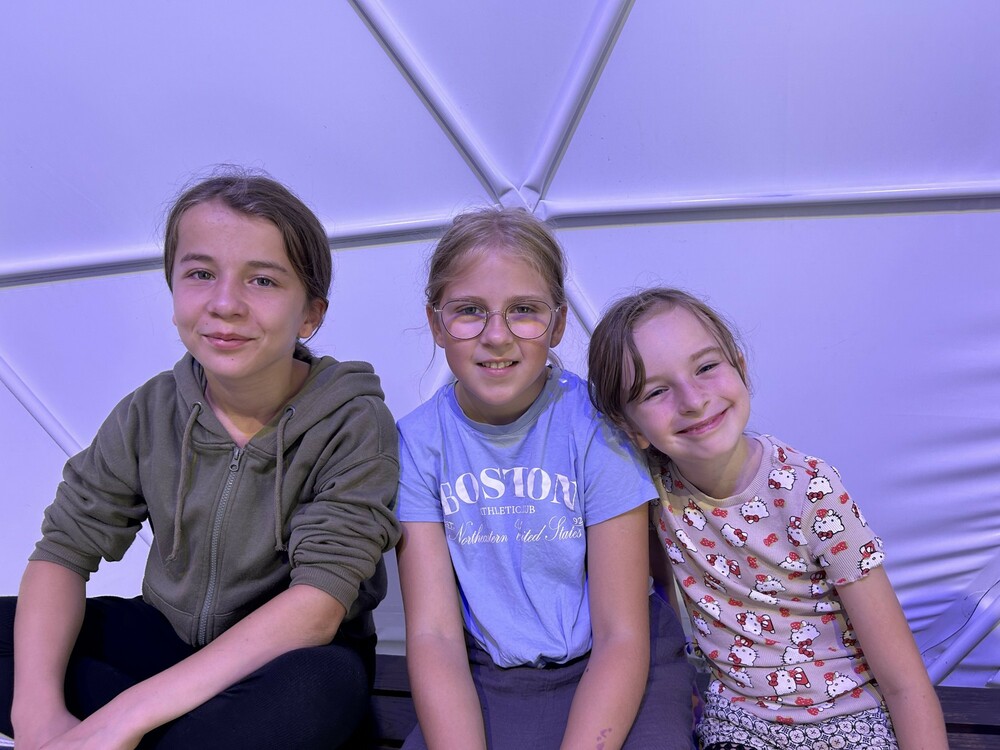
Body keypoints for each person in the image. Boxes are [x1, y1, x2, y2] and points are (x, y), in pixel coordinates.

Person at [0, 170, 401, 749]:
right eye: (201, 274)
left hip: (282, 662)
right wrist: (39, 720)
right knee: (17, 632)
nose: (225, 304)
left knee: (322, 687)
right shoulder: (151, 410)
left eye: (262, 280)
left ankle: (127, 732)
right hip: (167, 640)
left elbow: (316, 609)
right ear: (172, 291)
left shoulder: (352, 422)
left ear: (310, 315)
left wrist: (121, 719)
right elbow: (63, 551)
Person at [587, 287, 948, 750]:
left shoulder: (811, 492)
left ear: (740, 367)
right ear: (631, 427)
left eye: (706, 367)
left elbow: (905, 682)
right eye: (656, 391)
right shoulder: (648, 488)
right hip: (738, 725)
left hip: (848, 721)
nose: (693, 400)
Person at [395, 208, 696, 750]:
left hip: (619, 661)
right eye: (469, 311)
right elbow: (434, 635)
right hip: (487, 675)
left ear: (557, 323)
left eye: (524, 310)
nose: (497, 336)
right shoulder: (418, 444)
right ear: (437, 323)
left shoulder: (597, 427)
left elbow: (621, 634)